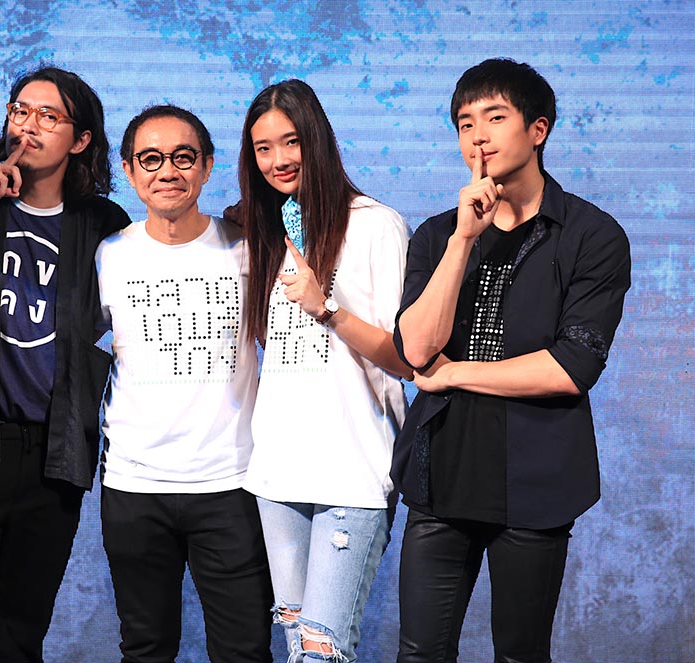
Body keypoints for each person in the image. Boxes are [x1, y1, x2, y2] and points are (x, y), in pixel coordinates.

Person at [392, 58, 631, 663]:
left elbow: (570, 368)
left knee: (520, 655)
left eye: (495, 118)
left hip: (536, 482)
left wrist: (452, 374)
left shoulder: (592, 235)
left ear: (538, 129)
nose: (478, 136)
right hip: (441, 474)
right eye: (465, 123)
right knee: (419, 653)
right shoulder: (437, 235)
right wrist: (463, 240)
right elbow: (415, 350)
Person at [0, 68, 130, 663]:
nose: (29, 125)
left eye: (48, 116)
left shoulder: (103, 225)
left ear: (81, 139)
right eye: (20, 110)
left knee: (22, 623)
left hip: (58, 450)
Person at [237, 79, 412, 662]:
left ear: (318, 139)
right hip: (278, 473)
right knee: (296, 646)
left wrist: (327, 309)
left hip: (351, 470)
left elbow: (405, 359)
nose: (278, 160)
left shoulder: (376, 224)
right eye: (263, 148)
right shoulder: (269, 231)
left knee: (322, 652)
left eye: (291, 142)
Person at [96, 105, 273, 663]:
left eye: (183, 157)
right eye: (150, 159)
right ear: (129, 170)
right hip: (133, 486)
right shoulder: (108, 255)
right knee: (145, 648)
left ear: (207, 166)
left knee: (244, 651)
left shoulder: (248, 248)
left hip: (231, 483)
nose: (167, 171)